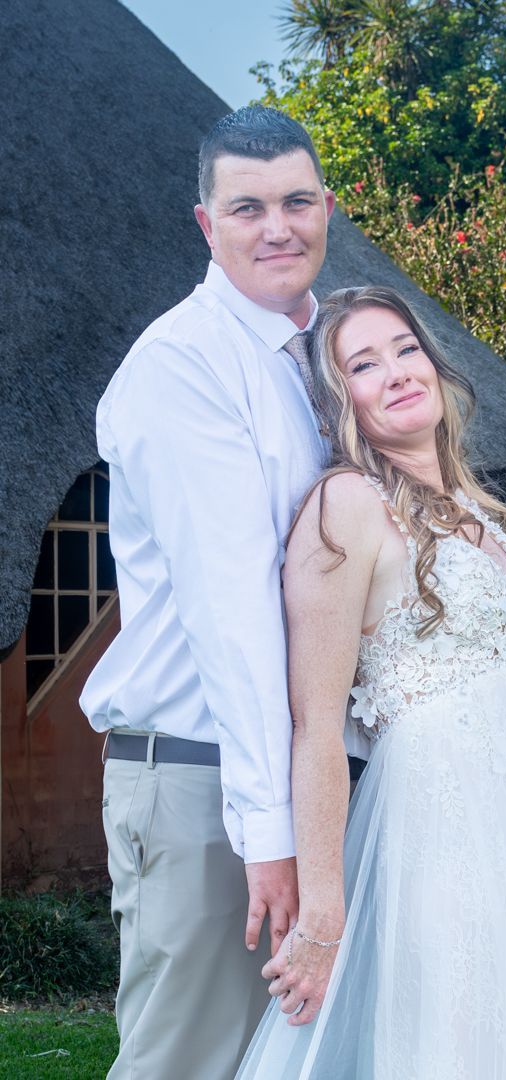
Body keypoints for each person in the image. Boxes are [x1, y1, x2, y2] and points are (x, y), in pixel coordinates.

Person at [236, 286, 506, 1079]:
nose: (397, 372)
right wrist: (325, 913)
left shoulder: (479, 507)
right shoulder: (346, 505)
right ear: (341, 403)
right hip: (444, 830)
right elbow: (315, 724)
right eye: (364, 365)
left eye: (406, 349)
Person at [79, 106, 335, 1079]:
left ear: (327, 208)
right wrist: (272, 838)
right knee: (190, 1064)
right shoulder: (182, 366)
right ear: (206, 223)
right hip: (201, 781)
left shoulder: (338, 351)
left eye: (296, 202)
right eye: (247, 208)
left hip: (313, 782)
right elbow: (235, 617)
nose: (278, 228)